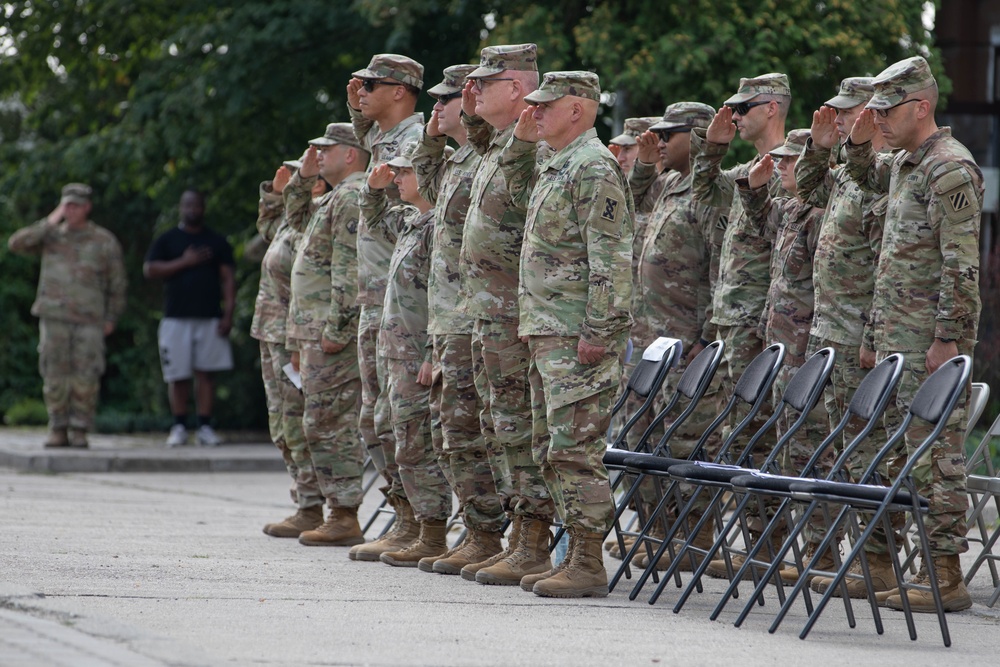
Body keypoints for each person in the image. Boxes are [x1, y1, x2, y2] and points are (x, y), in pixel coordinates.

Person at [844, 55, 983, 612]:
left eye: (887, 108)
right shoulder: (906, 163)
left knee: (934, 459)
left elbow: (960, 264)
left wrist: (947, 339)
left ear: (920, 107)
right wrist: (876, 335)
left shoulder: (949, 167)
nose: (877, 118)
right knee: (880, 457)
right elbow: (891, 253)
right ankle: (883, 568)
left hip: (931, 345)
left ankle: (945, 576)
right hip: (895, 344)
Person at [501, 71, 634, 598]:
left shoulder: (593, 167)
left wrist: (599, 330)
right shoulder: (558, 164)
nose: (533, 112)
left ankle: (587, 561)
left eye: (545, 105)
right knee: (549, 446)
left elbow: (611, 257)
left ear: (577, 110)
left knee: (575, 449)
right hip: (547, 333)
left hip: (577, 336)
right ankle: (569, 552)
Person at [793, 78, 900, 598]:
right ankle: (856, 556)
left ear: (869, 115)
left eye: (845, 113)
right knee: (837, 451)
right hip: (828, 332)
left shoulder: (883, 181)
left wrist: (873, 334)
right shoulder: (847, 175)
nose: (835, 119)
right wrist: (819, 146)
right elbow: (806, 189)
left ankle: (879, 562)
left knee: (867, 451)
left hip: (858, 336)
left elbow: (888, 266)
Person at [457, 43, 558, 586]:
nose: (472, 91)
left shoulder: (536, 150)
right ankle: (521, 535)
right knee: (501, 428)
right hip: (489, 314)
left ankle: (536, 540)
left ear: (516, 88)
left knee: (521, 428)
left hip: (518, 317)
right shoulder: (501, 146)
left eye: (484, 82)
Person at [411, 64, 507, 574]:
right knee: (454, 431)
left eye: (448, 98)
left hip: (477, 315)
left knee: (476, 431)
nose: (437, 106)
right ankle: (479, 532)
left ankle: (490, 534)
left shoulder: (487, 157)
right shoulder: (458, 161)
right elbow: (426, 185)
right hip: (451, 317)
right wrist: (429, 140)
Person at [626, 102, 729, 571]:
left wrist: (705, 337)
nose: (660, 142)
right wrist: (646, 166)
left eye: (671, 135)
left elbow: (722, 265)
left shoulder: (711, 191)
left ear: (700, 137)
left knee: (689, 439)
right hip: (653, 340)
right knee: (646, 437)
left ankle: (698, 537)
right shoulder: (668, 186)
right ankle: (663, 532)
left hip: (689, 342)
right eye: (657, 134)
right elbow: (633, 203)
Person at [737, 129, 830, 582]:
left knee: (809, 452)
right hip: (780, 348)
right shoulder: (791, 210)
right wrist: (752, 188)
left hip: (805, 350)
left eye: (790, 162)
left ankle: (823, 555)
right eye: (781, 161)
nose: (782, 168)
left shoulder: (818, 214)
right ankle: (788, 550)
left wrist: (813, 350)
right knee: (784, 451)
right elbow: (758, 220)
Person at [344, 54, 426, 560]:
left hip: (405, 301)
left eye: (371, 84)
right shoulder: (380, 142)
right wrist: (355, 102)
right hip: (377, 299)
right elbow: (363, 128)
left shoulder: (414, 147)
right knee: (375, 420)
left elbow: (415, 224)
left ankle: (424, 522)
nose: (361, 91)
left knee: (404, 420)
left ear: (400, 90)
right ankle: (406, 515)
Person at [360, 150, 453, 566]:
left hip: (418, 352)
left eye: (406, 171)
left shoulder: (439, 226)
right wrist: (373, 191)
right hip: (396, 350)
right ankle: (408, 519)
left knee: (416, 441)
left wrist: (434, 352)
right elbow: (376, 222)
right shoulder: (415, 221)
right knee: (387, 431)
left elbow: (443, 291)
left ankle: (431, 530)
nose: (397, 177)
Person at [283, 124, 369, 547]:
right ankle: (335, 510)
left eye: (325, 149)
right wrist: (300, 178)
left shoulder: (352, 195)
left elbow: (347, 267)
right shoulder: (335, 195)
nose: (315, 155)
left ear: (351, 154)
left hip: (329, 331)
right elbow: (293, 220)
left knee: (330, 423)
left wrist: (337, 327)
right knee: (317, 422)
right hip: (314, 329)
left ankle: (344, 513)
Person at [8, 183, 127, 448]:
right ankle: (58, 426)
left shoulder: (103, 241)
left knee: (86, 374)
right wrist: (51, 221)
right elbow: (16, 243)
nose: (70, 210)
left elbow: (117, 283)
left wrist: (112, 317)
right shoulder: (50, 236)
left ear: (87, 207)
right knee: (53, 373)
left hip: (90, 318)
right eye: (66, 205)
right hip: (54, 317)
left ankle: (80, 429)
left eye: (75, 205)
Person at [252, 156, 327, 538]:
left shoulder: (312, 221)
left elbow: (306, 281)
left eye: (303, 174)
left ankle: (312, 505)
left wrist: (297, 338)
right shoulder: (292, 220)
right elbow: (267, 228)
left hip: (289, 334)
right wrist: (275, 195)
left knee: (296, 421)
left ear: (317, 184)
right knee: (281, 422)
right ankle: (304, 499)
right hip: (271, 330)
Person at [143, 190, 234, 447]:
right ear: (181, 208)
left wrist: (228, 314)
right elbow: (150, 269)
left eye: (196, 204)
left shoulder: (216, 242)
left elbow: (228, 279)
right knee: (177, 374)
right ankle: (179, 425)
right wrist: (184, 262)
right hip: (175, 318)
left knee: (206, 373)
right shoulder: (168, 239)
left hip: (209, 318)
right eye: (187, 205)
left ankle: (205, 426)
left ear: (203, 207)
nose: (192, 209)